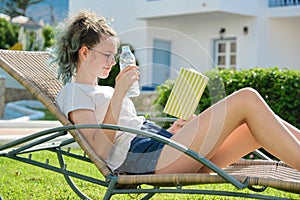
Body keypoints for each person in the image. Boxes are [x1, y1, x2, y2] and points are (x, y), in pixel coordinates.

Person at [54, 11, 300, 175]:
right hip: (147, 158)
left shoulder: (102, 89)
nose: (112, 62)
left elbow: (130, 126)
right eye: (107, 55)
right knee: (246, 98)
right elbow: (101, 150)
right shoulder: (74, 93)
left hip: (159, 145)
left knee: (252, 129)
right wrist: (119, 94)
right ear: (84, 53)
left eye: (113, 56)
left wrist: (171, 131)